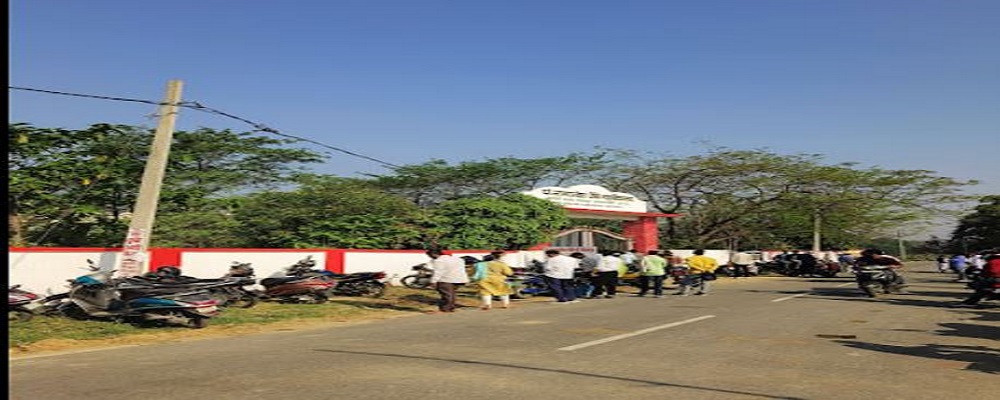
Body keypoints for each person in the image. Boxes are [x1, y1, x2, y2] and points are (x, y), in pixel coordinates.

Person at [426, 248, 469, 313]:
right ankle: (450, 307)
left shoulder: (439, 261)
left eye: (429, 255)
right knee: (450, 294)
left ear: (433, 254)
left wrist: (433, 281)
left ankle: (446, 308)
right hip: (460, 279)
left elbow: (438, 272)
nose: (429, 257)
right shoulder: (458, 259)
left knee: (447, 294)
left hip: (447, 279)